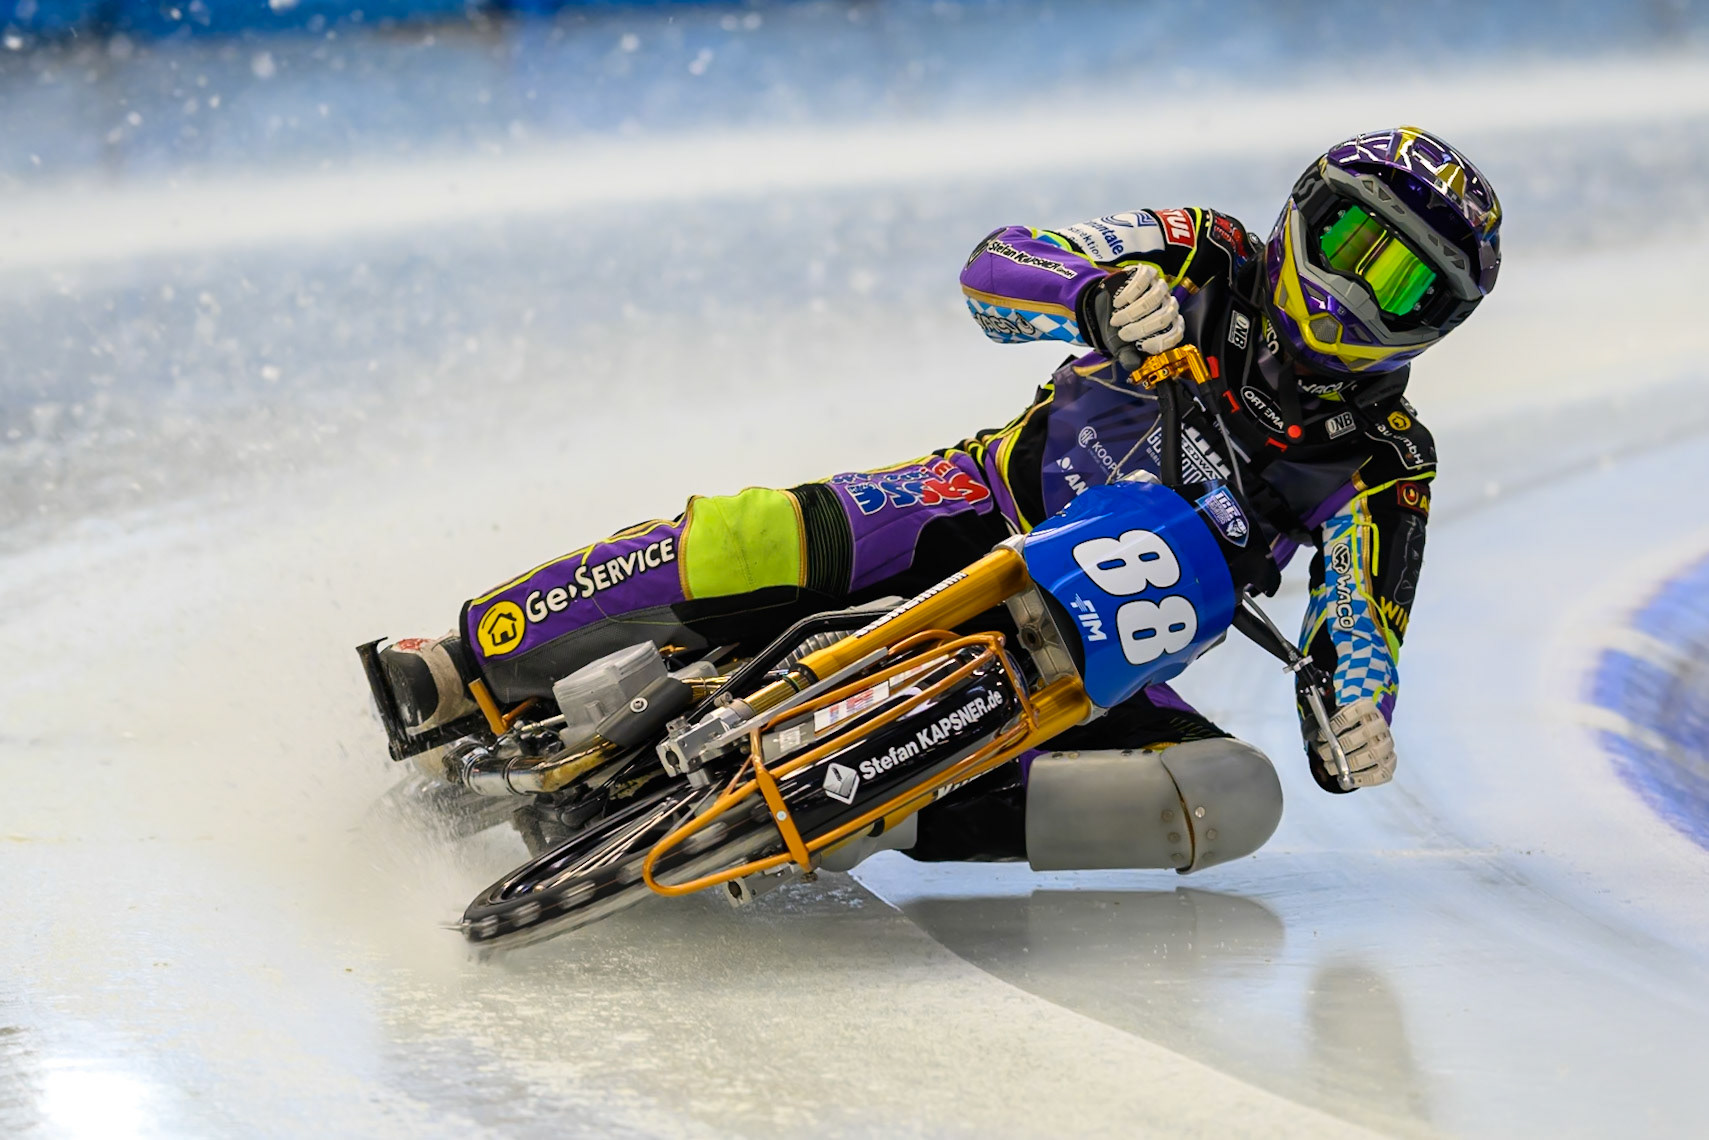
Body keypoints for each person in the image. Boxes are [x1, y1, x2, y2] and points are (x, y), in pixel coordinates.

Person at [376, 126, 1501, 872]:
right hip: (975, 505)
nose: (1356, 293)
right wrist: (1095, 295)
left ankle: (877, 808)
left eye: (1402, 285)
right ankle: (467, 662)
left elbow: (1358, 630)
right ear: (1306, 210)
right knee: (762, 534)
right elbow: (999, 264)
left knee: (1234, 799)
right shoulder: (1203, 252)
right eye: (1356, 244)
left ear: (1436, 326)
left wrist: (1352, 724)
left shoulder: (1387, 459)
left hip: (1100, 667)